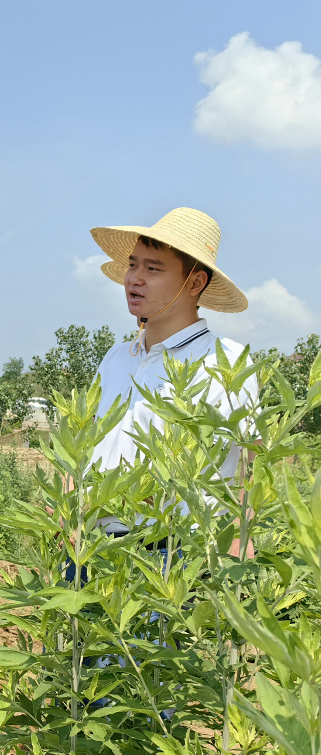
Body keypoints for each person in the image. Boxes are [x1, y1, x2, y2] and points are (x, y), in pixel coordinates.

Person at [87, 207, 251, 537]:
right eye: (133, 264)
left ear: (195, 282)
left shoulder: (224, 361)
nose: (134, 277)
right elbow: (83, 441)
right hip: (89, 543)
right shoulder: (117, 357)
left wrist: (237, 540)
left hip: (170, 551)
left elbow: (248, 460)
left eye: (153, 268)